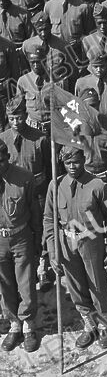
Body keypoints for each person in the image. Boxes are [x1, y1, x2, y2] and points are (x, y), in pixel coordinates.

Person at [42, 144, 107, 349]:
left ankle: (102, 326)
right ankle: (88, 324)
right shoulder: (55, 185)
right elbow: (49, 220)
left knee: (97, 284)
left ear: (84, 160)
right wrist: (53, 251)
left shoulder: (98, 185)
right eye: (67, 162)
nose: (72, 166)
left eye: (76, 161)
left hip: (91, 240)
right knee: (75, 286)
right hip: (66, 242)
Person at [0, 141, 41, 352]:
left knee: (25, 283)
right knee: (5, 285)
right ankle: (14, 324)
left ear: (7, 157)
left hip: (21, 236)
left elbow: (34, 211)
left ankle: (28, 325)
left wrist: (38, 240)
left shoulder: (24, 178)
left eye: (1, 161)